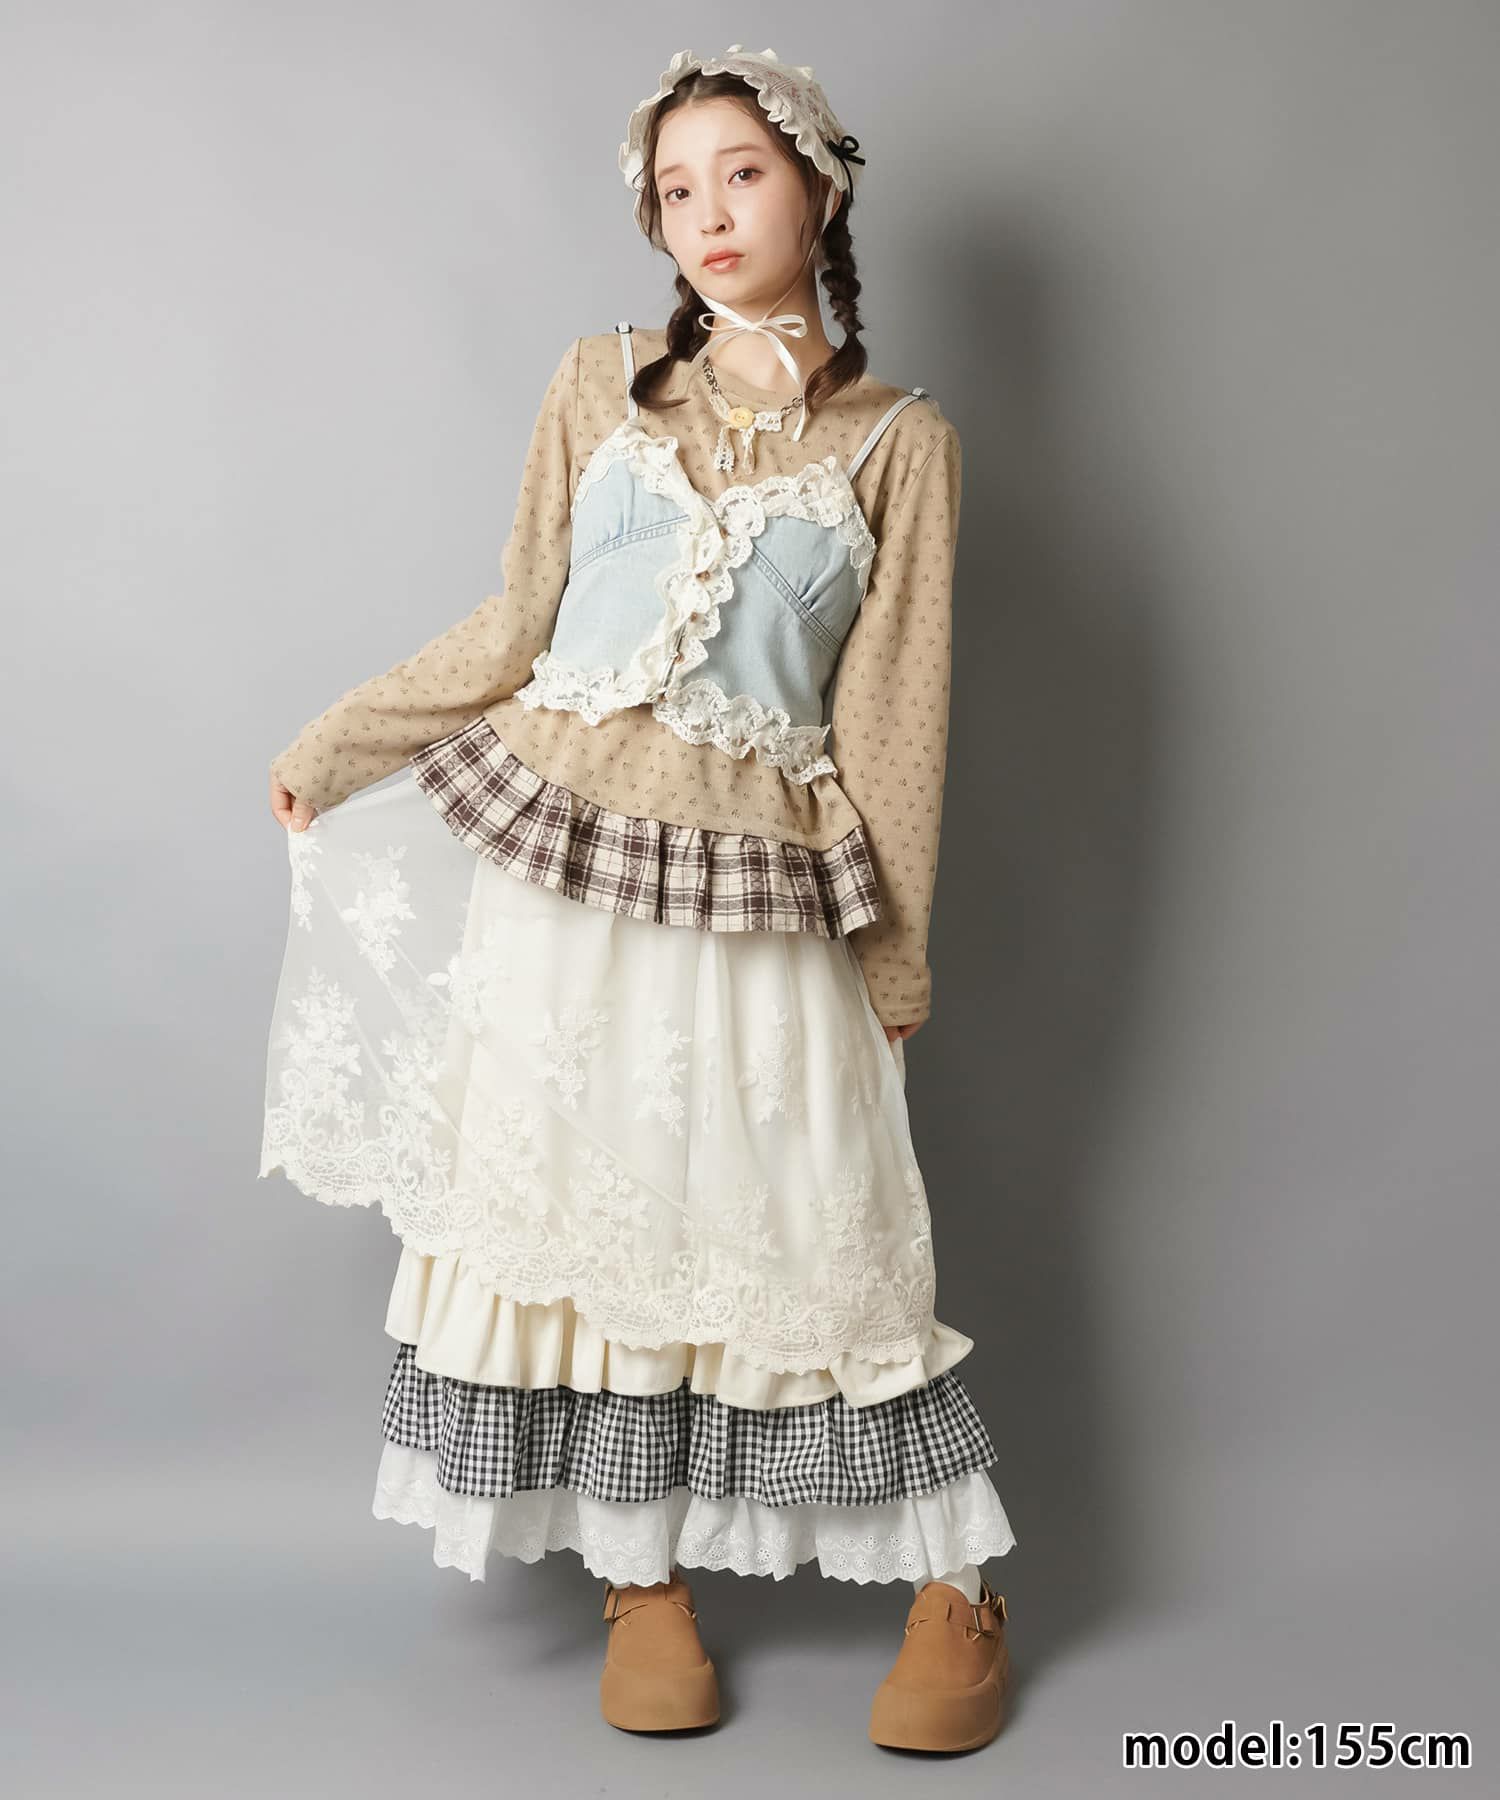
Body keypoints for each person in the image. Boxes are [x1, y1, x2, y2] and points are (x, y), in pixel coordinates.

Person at [260, 43, 1016, 1751]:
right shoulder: (598, 386)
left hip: (761, 887)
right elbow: (517, 620)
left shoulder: (902, 443)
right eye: (677, 189)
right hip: (559, 875)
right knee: (588, 1226)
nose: (708, 213)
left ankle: (955, 1587)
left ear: (819, 186)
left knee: (815, 1225)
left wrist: (897, 963)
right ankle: (639, 1576)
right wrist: (340, 746)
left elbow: (898, 723)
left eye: (740, 172)